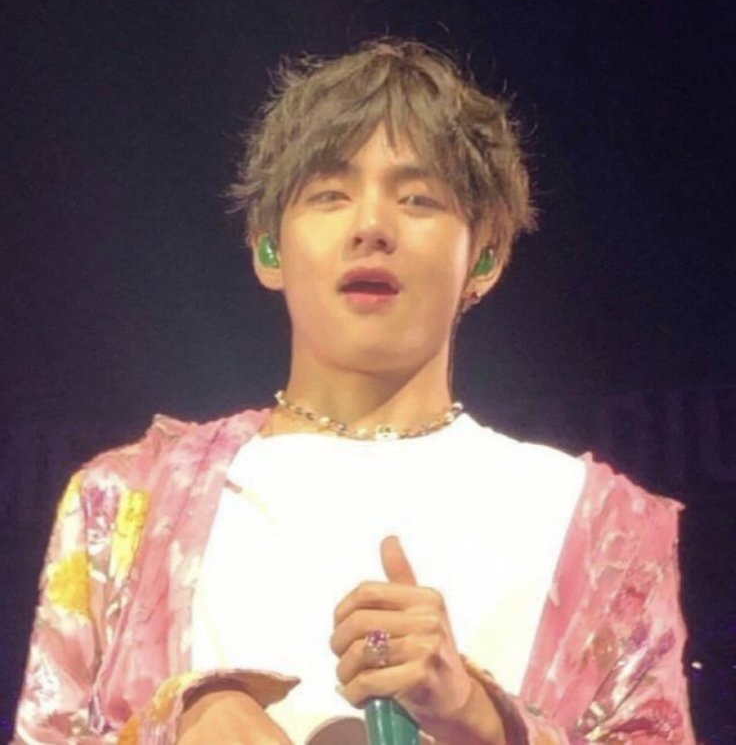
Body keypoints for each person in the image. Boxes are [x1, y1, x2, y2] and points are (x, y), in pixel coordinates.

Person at [14, 40, 695, 744]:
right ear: (269, 247)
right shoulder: (127, 505)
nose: (371, 227)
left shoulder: (599, 529)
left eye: (419, 198)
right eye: (330, 196)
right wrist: (181, 723)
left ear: (485, 255)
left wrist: (479, 718)